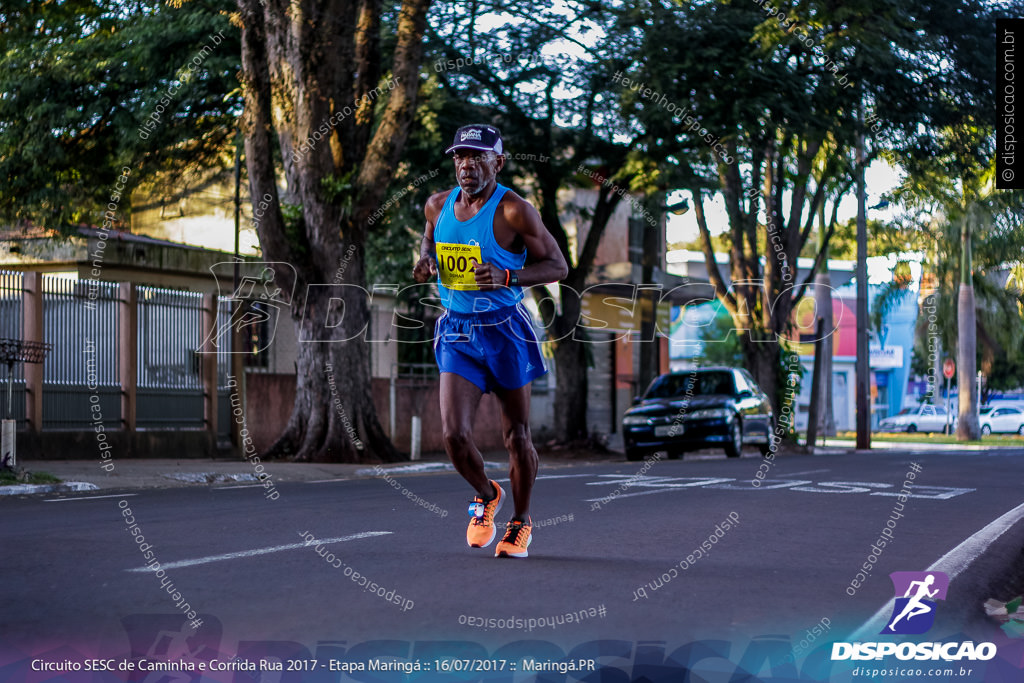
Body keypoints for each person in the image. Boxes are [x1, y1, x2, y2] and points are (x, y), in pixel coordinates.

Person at [412, 124, 567, 558]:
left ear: (498, 162)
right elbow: (429, 240)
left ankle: (520, 522)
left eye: (478, 157)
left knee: (516, 435)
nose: (467, 165)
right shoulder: (437, 205)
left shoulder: (515, 211)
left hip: (505, 329)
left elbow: (559, 266)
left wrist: (508, 276)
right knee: (453, 435)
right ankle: (486, 494)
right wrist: (425, 261)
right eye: (460, 156)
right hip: (458, 330)